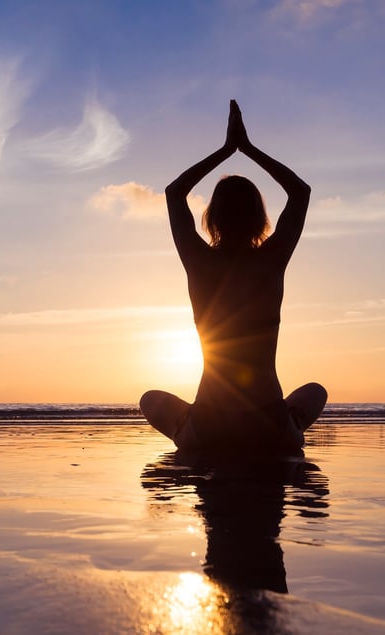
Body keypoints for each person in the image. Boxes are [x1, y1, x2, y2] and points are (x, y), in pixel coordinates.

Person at [140, 100, 327, 454]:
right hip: (270, 429)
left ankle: (187, 426)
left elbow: (174, 192)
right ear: (259, 219)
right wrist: (249, 149)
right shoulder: (272, 260)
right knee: (315, 391)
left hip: (210, 429)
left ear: (212, 219)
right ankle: (292, 424)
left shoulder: (198, 261)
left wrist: (225, 150)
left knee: (150, 399)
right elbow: (300, 192)